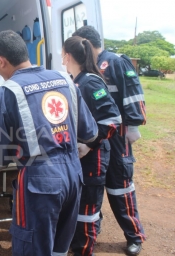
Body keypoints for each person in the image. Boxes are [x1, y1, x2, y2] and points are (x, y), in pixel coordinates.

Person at [0, 30, 99, 256]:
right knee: (59, 247)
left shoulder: (6, 93)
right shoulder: (65, 80)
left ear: (1, 60)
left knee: (32, 248)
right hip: (74, 175)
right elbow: (90, 131)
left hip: (39, 180)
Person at [73, 26, 147, 256]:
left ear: (85, 42)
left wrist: (132, 126)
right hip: (96, 138)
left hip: (117, 136)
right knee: (91, 189)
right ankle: (93, 228)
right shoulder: (87, 70)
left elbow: (133, 94)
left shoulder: (114, 61)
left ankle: (134, 235)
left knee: (120, 188)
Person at [61, 36, 121, 256]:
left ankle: (83, 251)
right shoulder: (74, 80)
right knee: (76, 208)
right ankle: (76, 245)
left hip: (92, 158)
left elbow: (112, 120)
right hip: (78, 158)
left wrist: (89, 144)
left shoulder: (91, 82)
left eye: (62, 52)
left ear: (67, 56)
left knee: (87, 212)